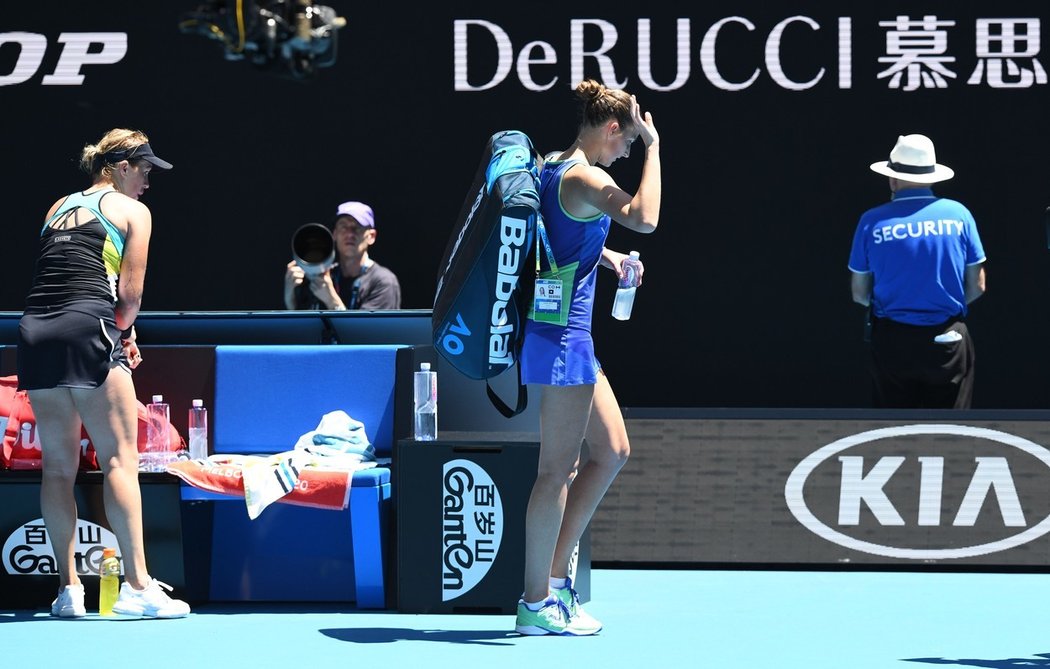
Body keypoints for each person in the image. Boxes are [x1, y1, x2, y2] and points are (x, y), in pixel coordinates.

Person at [17, 128, 190, 618]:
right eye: (145, 170)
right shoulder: (134, 212)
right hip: (86, 326)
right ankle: (136, 587)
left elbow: (61, 272)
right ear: (119, 168)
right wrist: (123, 331)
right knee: (119, 461)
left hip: (34, 330)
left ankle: (68, 592)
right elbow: (129, 298)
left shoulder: (56, 206)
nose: (148, 182)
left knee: (57, 467)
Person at [514, 79, 660, 636]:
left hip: (570, 339)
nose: (628, 152)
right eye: (629, 141)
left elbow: (564, 242)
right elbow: (646, 216)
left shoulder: (557, 168)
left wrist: (612, 258)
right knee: (555, 472)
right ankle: (534, 603)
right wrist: (656, 149)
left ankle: (553, 584)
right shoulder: (586, 176)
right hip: (561, 341)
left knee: (613, 449)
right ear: (613, 129)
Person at [848, 133, 987, 408]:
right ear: (932, 177)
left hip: (892, 342)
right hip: (948, 339)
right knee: (953, 436)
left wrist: (902, 311)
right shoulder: (959, 215)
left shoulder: (871, 221)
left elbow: (859, 293)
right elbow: (978, 286)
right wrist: (936, 310)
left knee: (893, 434)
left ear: (892, 178)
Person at [283, 201, 402, 310]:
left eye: (357, 227)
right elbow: (304, 330)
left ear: (371, 236)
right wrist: (290, 300)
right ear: (334, 234)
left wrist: (331, 300)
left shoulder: (383, 282)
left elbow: (368, 332)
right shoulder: (325, 276)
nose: (350, 233)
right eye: (343, 226)